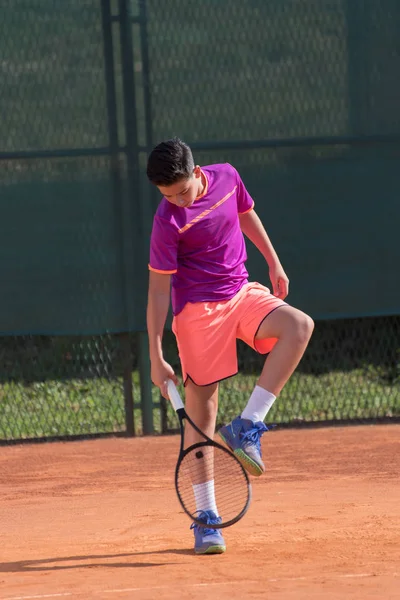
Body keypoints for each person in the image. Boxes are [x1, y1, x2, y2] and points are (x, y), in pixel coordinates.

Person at [146, 138, 314, 554]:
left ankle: (248, 426)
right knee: (201, 414)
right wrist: (155, 353)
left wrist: (273, 261)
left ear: (196, 170)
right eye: (168, 196)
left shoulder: (227, 177)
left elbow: (245, 214)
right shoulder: (168, 220)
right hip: (197, 313)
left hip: (241, 293)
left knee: (298, 326)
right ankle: (206, 518)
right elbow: (157, 291)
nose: (178, 201)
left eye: (182, 191)